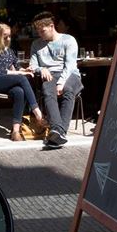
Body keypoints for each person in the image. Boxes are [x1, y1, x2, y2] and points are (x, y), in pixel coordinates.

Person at [0, 23, 46, 142]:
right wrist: (20, 74)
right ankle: (37, 112)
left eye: (10, 36)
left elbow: (16, 66)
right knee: (22, 78)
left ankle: (15, 131)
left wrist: (24, 70)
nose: (8, 39)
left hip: (5, 82)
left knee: (19, 91)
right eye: (5, 37)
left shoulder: (8, 50)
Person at [29, 11, 83, 150]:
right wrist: (42, 69)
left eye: (42, 31)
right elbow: (33, 65)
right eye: (38, 32)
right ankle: (58, 132)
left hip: (70, 74)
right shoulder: (36, 44)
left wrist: (61, 83)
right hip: (50, 74)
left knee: (68, 90)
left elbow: (70, 65)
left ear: (52, 26)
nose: (40, 34)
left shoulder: (68, 40)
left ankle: (58, 132)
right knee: (48, 90)